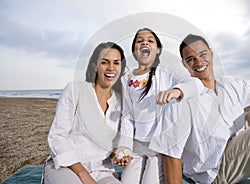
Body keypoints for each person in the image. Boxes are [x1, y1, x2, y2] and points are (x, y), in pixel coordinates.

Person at [149, 34, 250, 184]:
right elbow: (170, 153)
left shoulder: (229, 85)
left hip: (233, 142)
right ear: (184, 64)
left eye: (202, 54)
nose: (199, 62)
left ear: (211, 53)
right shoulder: (180, 98)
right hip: (214, 171)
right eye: (191, 59)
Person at [114, 28, 204, 184]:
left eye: (150, 40)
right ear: (135, 50)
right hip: (136, 146)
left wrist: (177, 91)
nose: (145, 43)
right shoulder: (126, 78)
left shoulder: (167, 71)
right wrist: (125, 146)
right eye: (140, 41)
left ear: (157, 49)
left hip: (158, 147)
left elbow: (196, 84)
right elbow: (127, 115)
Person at [43, 42, 126, 184]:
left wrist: (118, 153)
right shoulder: (75, 90)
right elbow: (57, 136)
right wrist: (83, 174)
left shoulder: (121, 101)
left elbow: (112, 143)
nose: (111, 68)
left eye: (116, 63)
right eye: (104, 62)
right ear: (94, 65)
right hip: (67, 166)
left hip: (102, 170)